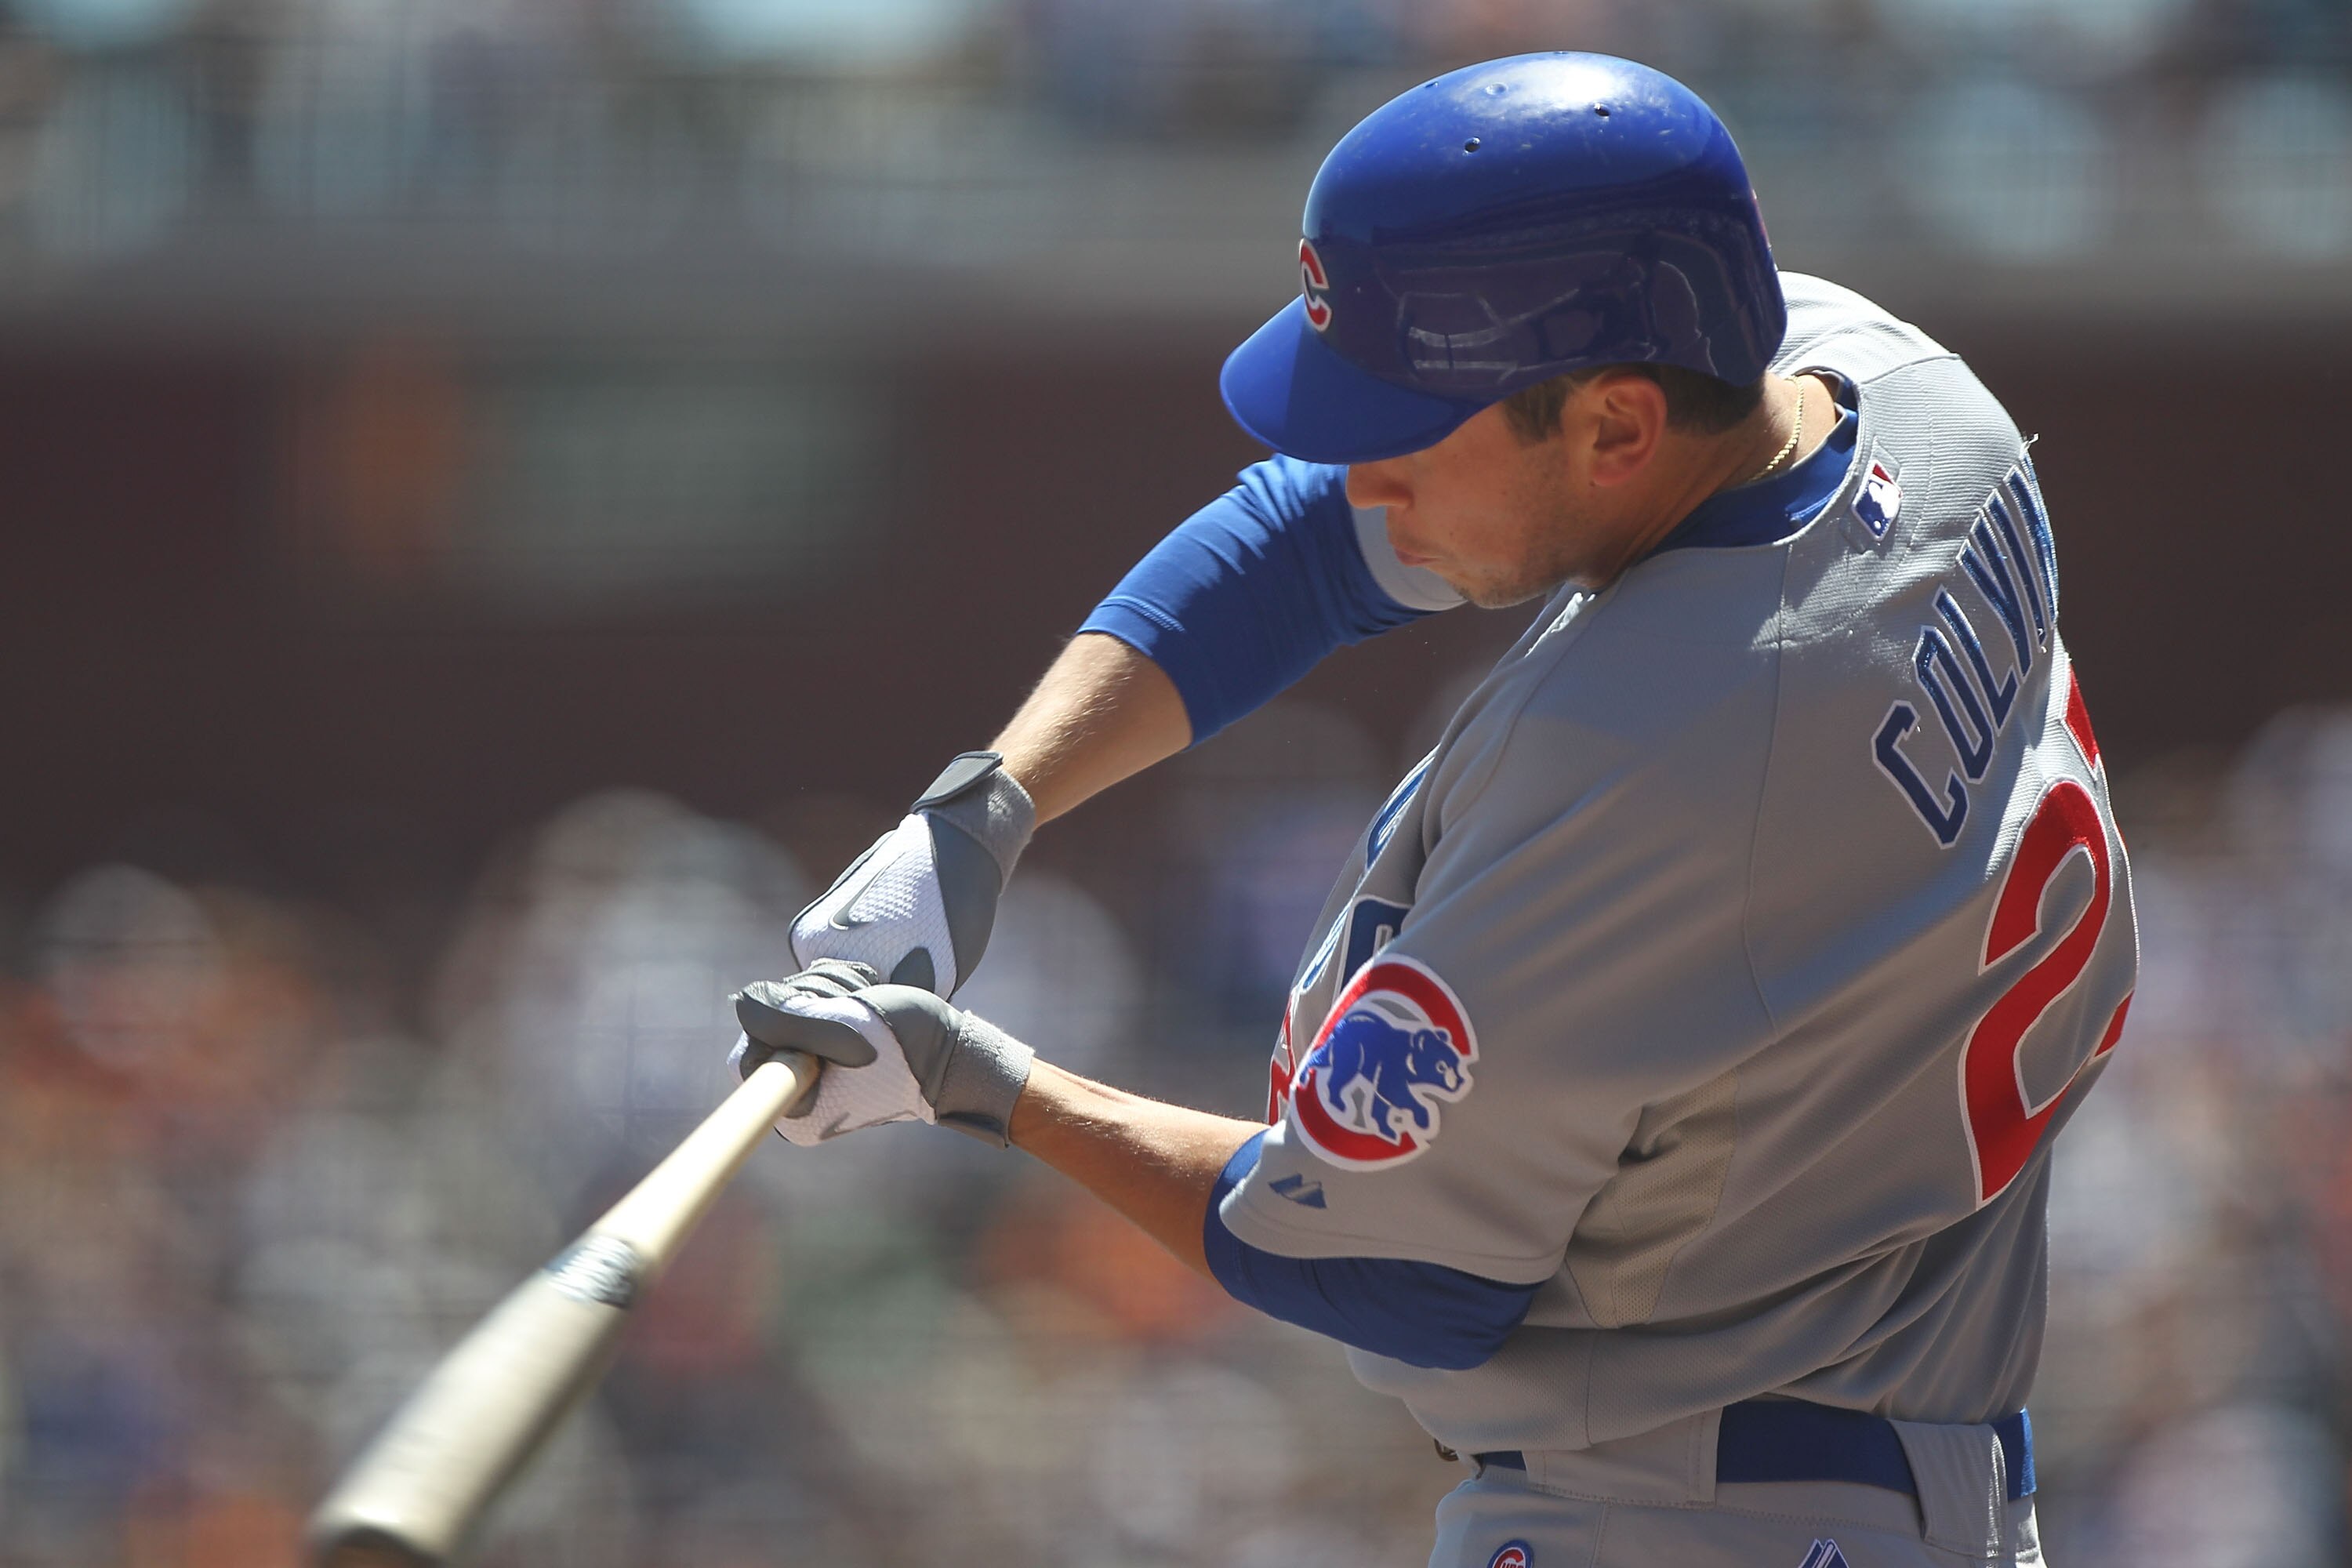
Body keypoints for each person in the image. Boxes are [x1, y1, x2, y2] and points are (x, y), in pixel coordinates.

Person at [726, 52, 2136, 1568]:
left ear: (1615, 426)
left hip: (1693, 1516)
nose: (1356, 470)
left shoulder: (1665, 768)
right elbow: (1309, 538)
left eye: (1406, 425)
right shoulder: (1907, 398)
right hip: (1849, 1442)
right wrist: (988, 806)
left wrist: (981, 1091)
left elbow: (1393, 1272)